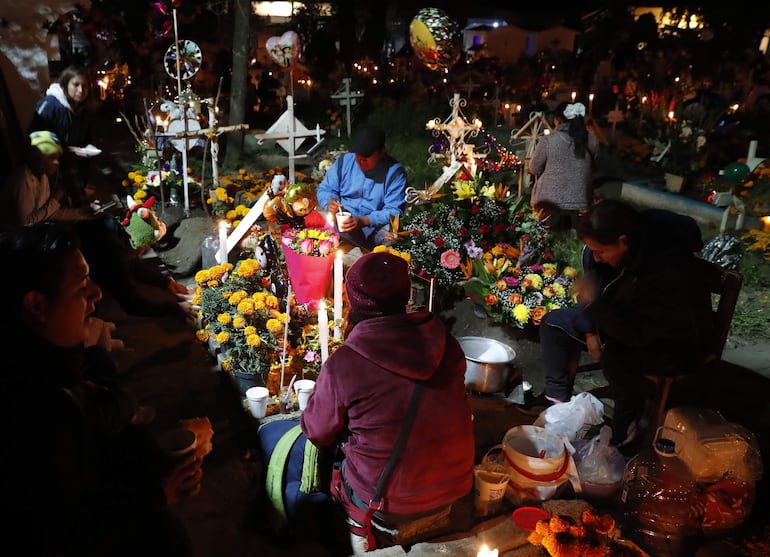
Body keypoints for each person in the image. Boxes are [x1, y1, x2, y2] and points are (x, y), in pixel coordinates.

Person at [0, 222, 203, 556]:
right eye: (81, 285)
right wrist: (155, 493)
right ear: (36, 305)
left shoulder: (55, 368)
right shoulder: (33, 413)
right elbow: (62, 533)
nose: (96, 292)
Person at [300, 251, 474, 553]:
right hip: (457, 483)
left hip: (390, 499)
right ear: (406, 294)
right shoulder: (445, 342)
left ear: (353, 299)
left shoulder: (345, 364)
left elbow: (317, 431)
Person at [522, 199, 715, 446]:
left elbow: (638, 332)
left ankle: (626, 427)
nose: (597, 258)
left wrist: (593, 308)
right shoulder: (625, 249)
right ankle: (557, 406)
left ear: (623, 241)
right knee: (555, 323)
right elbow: (604, 291)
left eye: (601, 252)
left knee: (615, 358)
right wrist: (591, 329)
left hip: (665, 348)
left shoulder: (665, 271)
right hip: (615, 320)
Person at [0, 131, 195, 322]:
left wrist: (166, 283)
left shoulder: (114, 234)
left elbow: (133, 265)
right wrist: (176, 308)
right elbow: (132, 302)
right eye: (144, 247)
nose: (142, 253)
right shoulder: (23, 181)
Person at [316, 124, 407, 250]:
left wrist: (364, 221)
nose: (360, 161)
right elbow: (326, 189)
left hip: (375, 228)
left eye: (366, 158)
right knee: (314, 223)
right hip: (343, 225)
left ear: (382, 152)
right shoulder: (345, 162)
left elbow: (394, 211)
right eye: (357, 156)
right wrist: (330, 201)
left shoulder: (394, 172)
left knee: (394, 235)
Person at [28, 65, 97, 208]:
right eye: (76, 84)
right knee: (57, 203)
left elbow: (86, 135)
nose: (81, 90)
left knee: (73, 196)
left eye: (85, 86)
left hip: (73, 160)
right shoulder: (50, 105)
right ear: (65, 84)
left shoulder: (82, 109)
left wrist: (88, 146)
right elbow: (34, 135)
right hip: (52, 165)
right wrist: (61, 150)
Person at [529, 101, 600, 231]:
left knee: (546, 241)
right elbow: (595, 165)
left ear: (557, 120)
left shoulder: (549, 140)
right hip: (581, 200)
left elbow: (534, 168)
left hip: (548, 202)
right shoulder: (592, 139)